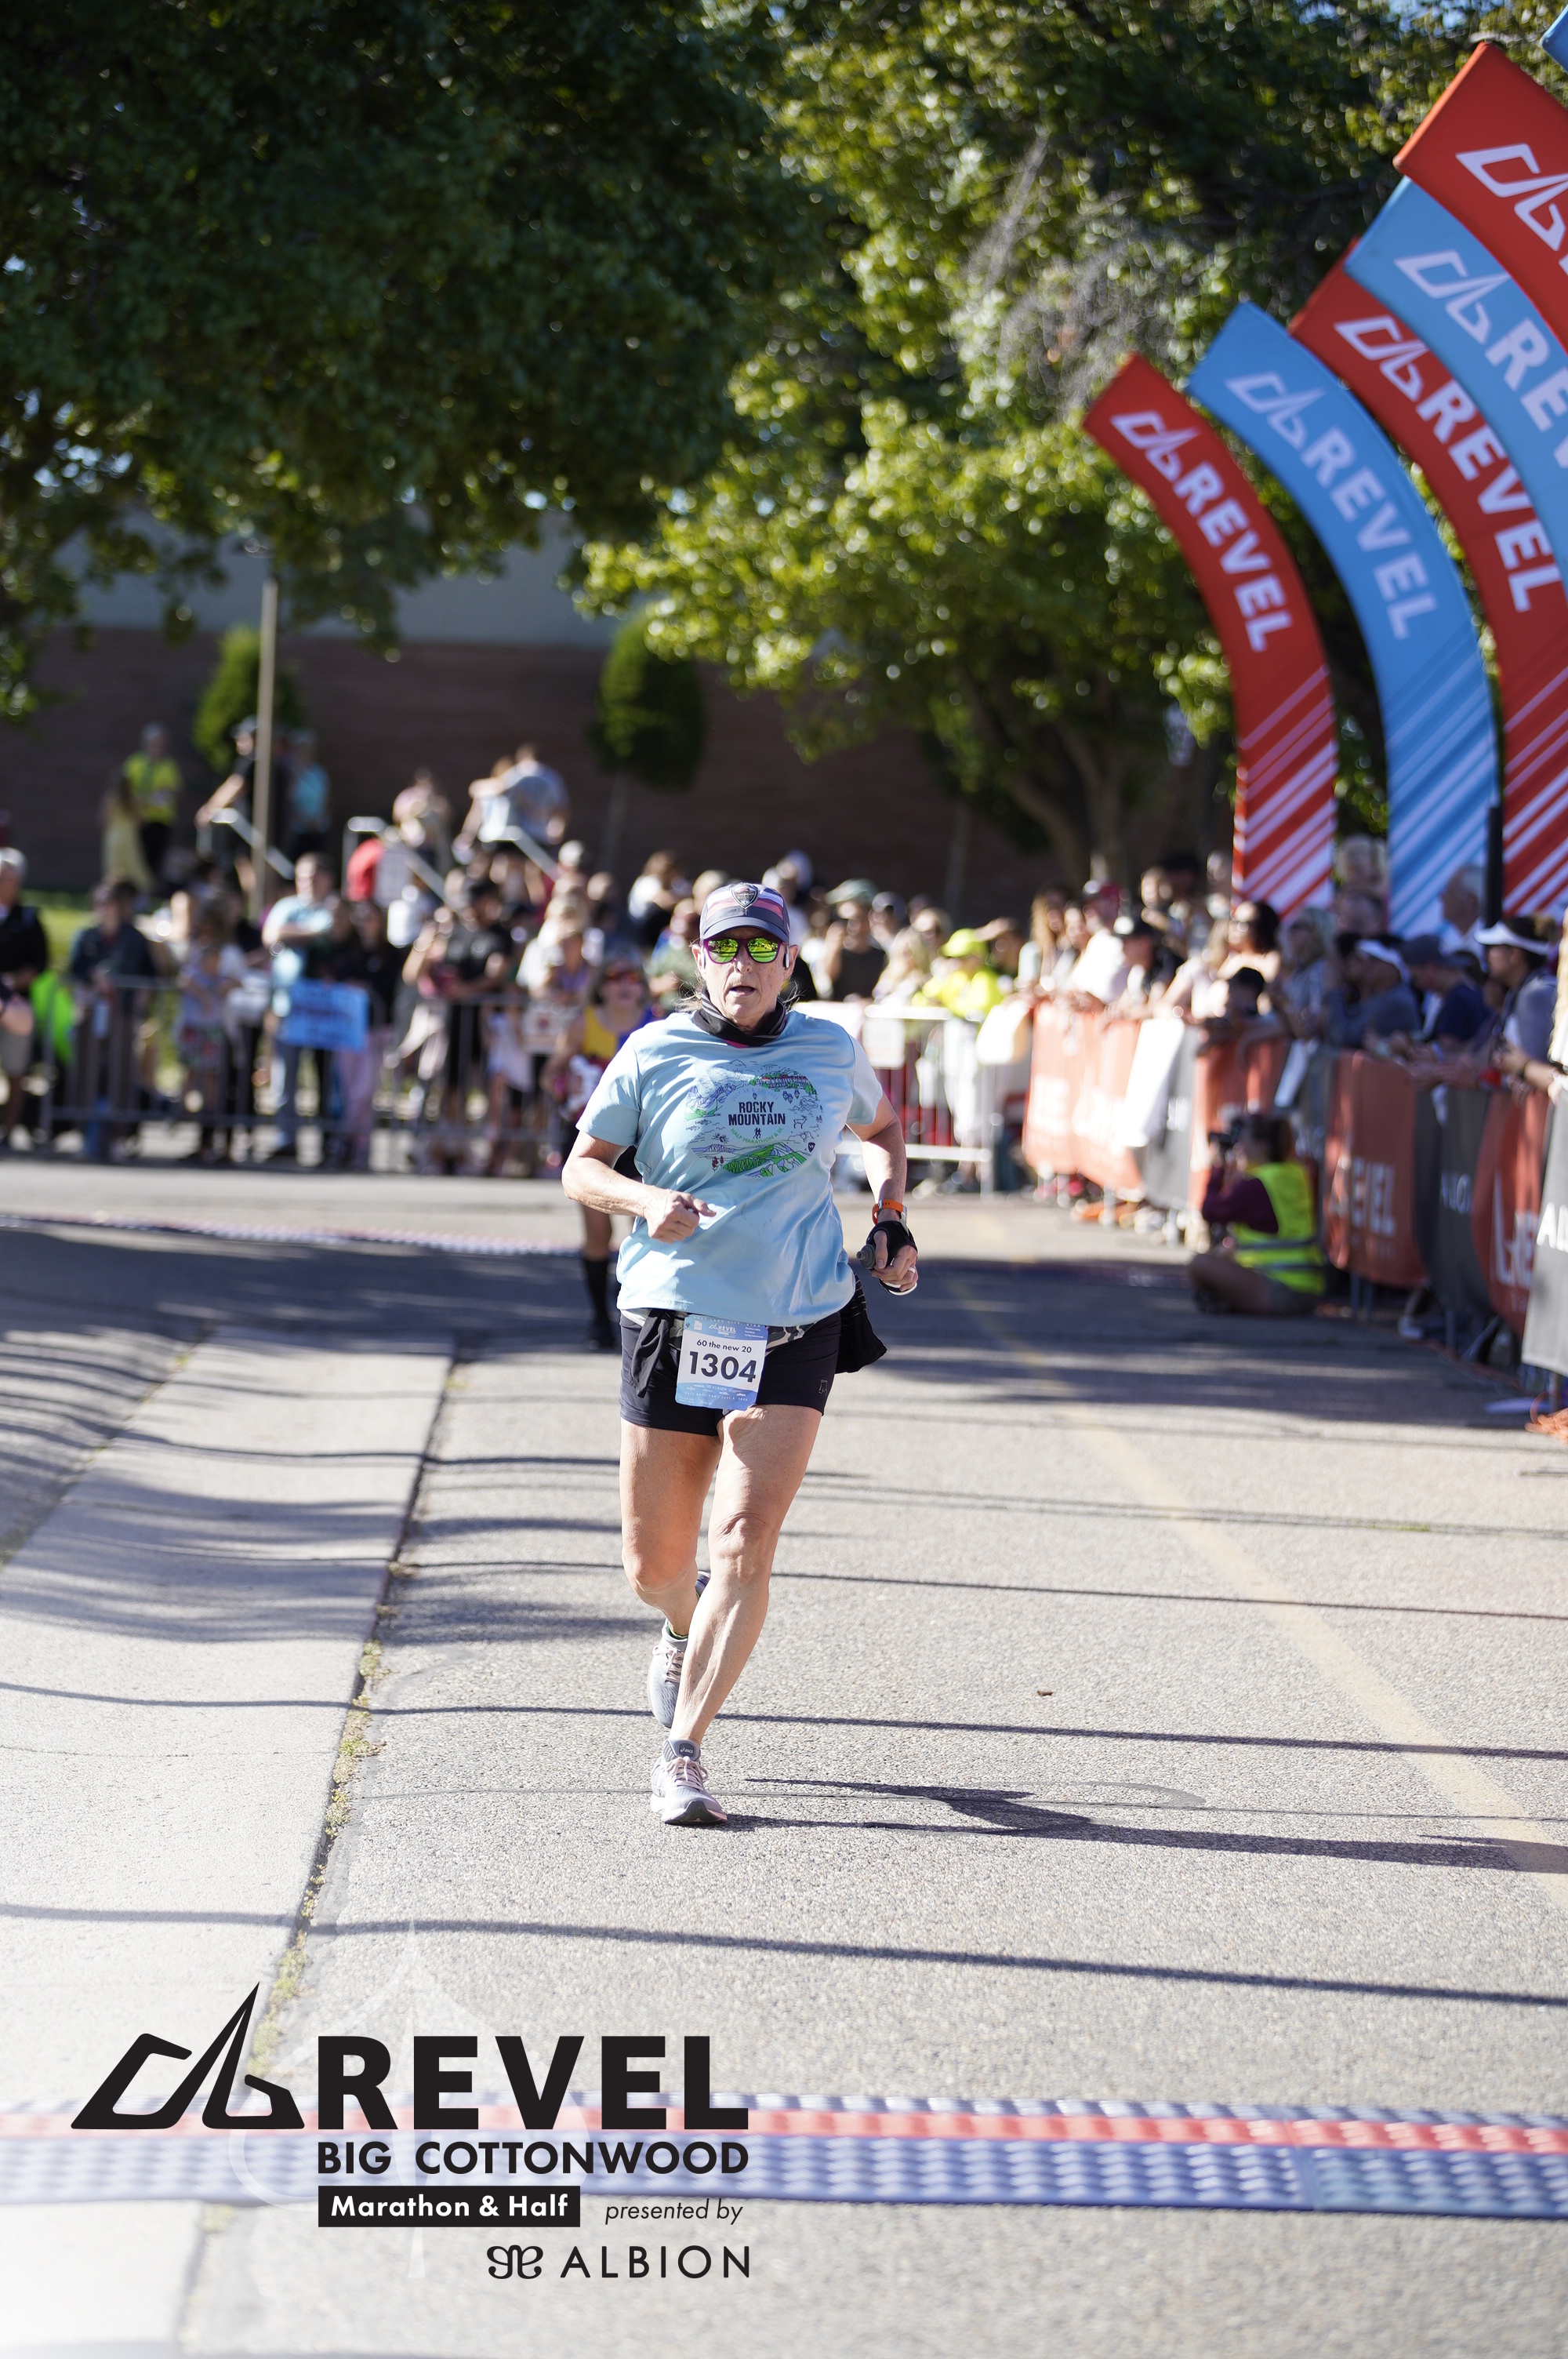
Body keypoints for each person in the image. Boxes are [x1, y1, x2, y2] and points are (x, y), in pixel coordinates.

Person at [561, 880, 918, 1828]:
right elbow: (582, 1166)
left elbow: (882, 1130)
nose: (743, 965)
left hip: (795, 1319)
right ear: (700, 960)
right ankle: (681, 1620)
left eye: (762, 949)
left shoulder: (829, 1049)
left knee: (743, 1541)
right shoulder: (653, 1050)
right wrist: (644, 1201)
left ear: (789, 963)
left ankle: (683, 1749)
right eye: (725, 947)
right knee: (652, 1562)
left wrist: (889, 1213)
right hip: (674, 1316)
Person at [547, 953, 659, 1347]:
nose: (624, 985)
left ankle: (631, 1306)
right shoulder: (584, 1023)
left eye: (632, 978)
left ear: (642, 987)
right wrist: (568, 1088)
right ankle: (598, 1318)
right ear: (601, 987)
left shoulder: (657, 1023)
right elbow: (550, 1074)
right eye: (614, 977)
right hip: (594, 1136)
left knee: (645, 1224)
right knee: (598, 1232)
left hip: (643, 1138)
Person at [1189, 1110, 1325, 1316]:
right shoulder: (1294, 1173)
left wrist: (1217, 1166)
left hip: (1280, 1290)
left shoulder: (1258, 1185)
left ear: (1261, 1147)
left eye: (1243, 1141)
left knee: (1199, 1264)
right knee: (1226, 1253)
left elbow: (1210, 1211)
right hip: (1307, 1288)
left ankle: (1234, 1301)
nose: (1238, 1148)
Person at [261, 853, 337, 1161]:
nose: (308, 882)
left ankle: (328, 1141)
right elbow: (272, 935)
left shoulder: (333, 907)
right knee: (285, 1074)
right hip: (288, 1004)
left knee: (326, 1076)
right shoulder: (286, 907)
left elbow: (333, 931)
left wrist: (294, 933)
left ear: (327, 878)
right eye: (303, 876)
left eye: (314, 875)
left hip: (325, 1009)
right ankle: (286, 1138)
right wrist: (312, 933)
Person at [0, 852, 48, 1146]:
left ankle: (8, 1131)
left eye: (6, 876)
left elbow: (39, 964)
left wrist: (10, 983)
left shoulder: (28, 918)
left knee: (16, 1070)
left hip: (15, 1004)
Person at [1323, 937, 1421, 1049]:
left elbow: (1345, 1039)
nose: (1367, 965)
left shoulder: (1397, 1001)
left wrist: (1333, 992)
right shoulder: (1379, 995)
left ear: (1394, 968)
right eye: (1366, 959)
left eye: (1374, 960)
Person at [122, 724, 183, 886]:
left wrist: (166, 794)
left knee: (155, 856)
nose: (159, 749)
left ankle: (149, 889)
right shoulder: (135, 763)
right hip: (137, 818)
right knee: (136, 856)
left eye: (162, 745)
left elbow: (176, 790)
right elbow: (124, 790)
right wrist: (137, 803)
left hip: (161, 819)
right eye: (156, 744)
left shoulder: (169, 766)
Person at [822, 892, 887, 1001]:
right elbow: (830, 976)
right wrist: (833, 945)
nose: (851, 926)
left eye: (857, 919)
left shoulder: (880, 956)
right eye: (845, 920)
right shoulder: (838, 953)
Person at [99, 773, 154, 898]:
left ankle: (113, 894)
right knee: (134, 865)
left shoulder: (110, 799)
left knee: (113, 868)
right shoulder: (133, 800)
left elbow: (104, 820)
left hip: (113, 838)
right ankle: (143, 894)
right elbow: (142, 821)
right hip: (129, 837)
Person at [282, 730, 332, 863]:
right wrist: (305, 821)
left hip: (318, 827)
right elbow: (288, 800)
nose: (306, 752)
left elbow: (326, 797)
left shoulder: (318, 771)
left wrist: (319, 820)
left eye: (309, 748)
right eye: (302, 748)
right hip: (297, 830)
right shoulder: (289, 771)